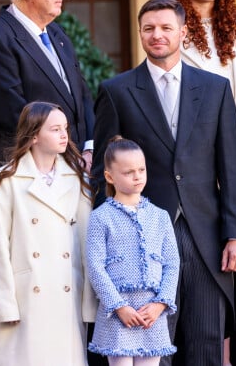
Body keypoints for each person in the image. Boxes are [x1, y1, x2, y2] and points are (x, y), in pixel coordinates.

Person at [90, 0, 236, 366]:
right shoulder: (116, 91)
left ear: (183, 32)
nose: (156, 35)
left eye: (165, 27)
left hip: (206, 236)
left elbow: (230, 168)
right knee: (150, 346)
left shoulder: (215, 88)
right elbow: (103, 172)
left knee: (207, 340)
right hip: (139, 241)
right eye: (148, 28)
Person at [162, 0, 236, 364]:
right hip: (186, 171)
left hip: (235, 170)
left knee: (229, 265)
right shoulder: (171, 29)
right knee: (191, 270)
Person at [0, 101, 97, 366]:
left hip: (66, 296)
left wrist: (88, 302)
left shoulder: (77, 178)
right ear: (34, 135)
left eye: (65, 128)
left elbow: (86, 242)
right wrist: (4, 304)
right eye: (55, 129)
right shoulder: (7, 179)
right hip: (24, 300)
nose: (64, 135)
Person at [0, 0, 95, 186]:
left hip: (76, 174)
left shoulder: (57, 33)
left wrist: (89, 148)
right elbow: (13, 115)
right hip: (30, 180)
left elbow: (82, 95)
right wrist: (69, 156)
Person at [86, 136, 180, 366]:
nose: (137, 176)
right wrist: (119, 306)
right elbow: (95, 266)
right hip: (118, 314)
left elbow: (172, 263)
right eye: (128, 172)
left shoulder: (160, 216)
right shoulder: (100, 217)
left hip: (152, 313)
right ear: (110, 176)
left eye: (141, 169)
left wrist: (160, 304)